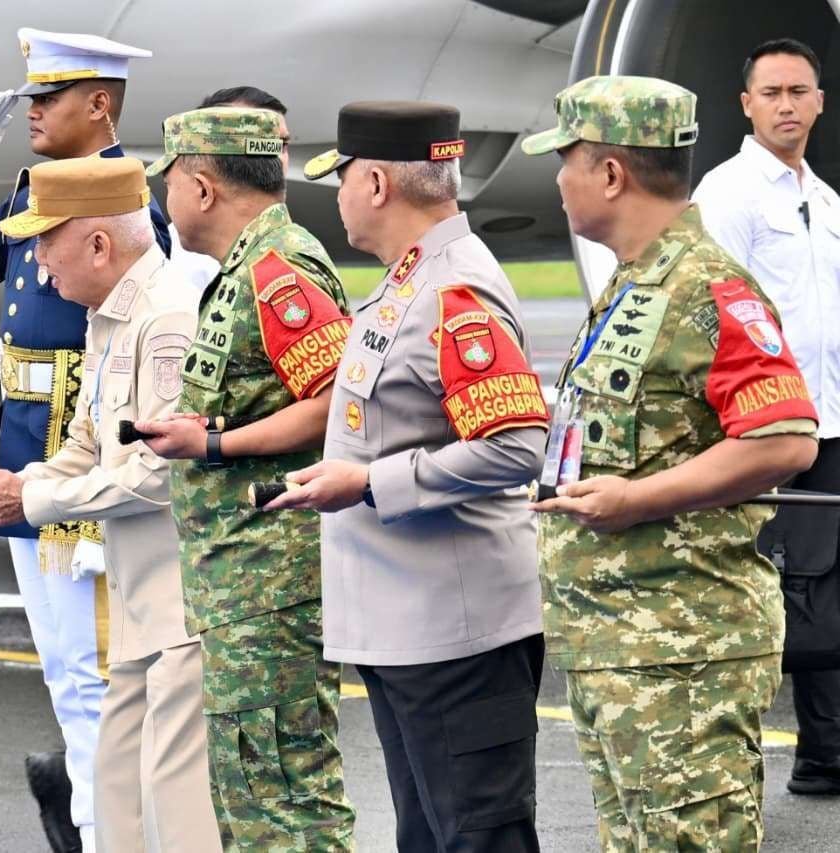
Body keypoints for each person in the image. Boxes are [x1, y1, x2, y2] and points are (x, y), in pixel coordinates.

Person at [525, 76, 820, 850]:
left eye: (568, 160)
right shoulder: (636, 282)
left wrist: (639, 498)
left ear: (612, 173)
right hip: (618, 645)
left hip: (682, 652)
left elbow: (786, 438)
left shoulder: (706, 286)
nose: (558, 180)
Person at [0, 27, 170, 851]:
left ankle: (107, 830)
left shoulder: (123, 207)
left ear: (100, 105)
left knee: (98, 677)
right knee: (67, 675)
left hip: (86, 477)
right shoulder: (37, 194)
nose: (31, 112)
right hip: (30, 469)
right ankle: (99, 825)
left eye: (47, 98)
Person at [269, 100, 548, 852]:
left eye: (344, 178)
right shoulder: (409, 278)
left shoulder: (454, 288)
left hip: (456, 636)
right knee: (428, 837)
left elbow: (517, 445)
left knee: (479, 838)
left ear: (378, 183)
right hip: (407, 628)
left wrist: (366, 484)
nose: (339, 194)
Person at [0, 156, 222, 853]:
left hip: (179, 606)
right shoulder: (109, 315)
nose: (38, 265)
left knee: (177, 808)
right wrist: (13, 488)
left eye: (45, 244)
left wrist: (28, 497)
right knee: (114, 788)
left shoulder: (167, 317)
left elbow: (155, 472)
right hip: (135, 599)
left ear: (98, 243)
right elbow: (90, 441)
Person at [136, 106, 357, 850]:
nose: (163, 198)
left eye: (167, 181)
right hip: (242, 580)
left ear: (201, 188)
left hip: (271, 579)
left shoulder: (278, 272)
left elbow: (336, 400)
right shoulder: (248, 268)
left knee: (286, 794)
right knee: (250, 793)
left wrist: (217, 443)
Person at [693, 37, 840, 796]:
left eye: (800, 91)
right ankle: (732, 766)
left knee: (828, 595)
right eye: (772, 92)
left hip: (832, 422)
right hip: (767, 428)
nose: (787, 104)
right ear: (746, 104)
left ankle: (827, 755)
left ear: (820, 101)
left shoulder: (826, 200)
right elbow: (714, 314)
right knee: (775, 593)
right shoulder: (728, 195)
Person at [167, 86, 292, 294]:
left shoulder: (287, 245)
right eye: (253, 143)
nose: (273, 158)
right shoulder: (185, 252)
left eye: (282, 144)